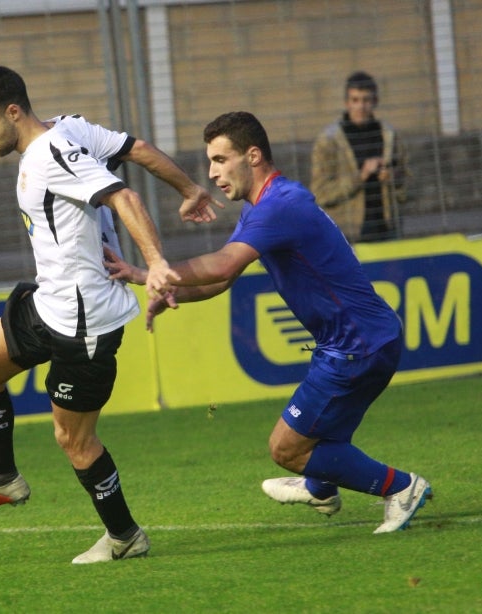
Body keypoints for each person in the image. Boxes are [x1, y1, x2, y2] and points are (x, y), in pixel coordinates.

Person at [105, 111, 432, 534]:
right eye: (211, 162)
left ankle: (401, 487)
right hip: (366, 339)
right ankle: (320, 487)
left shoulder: (280, 207)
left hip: (355, 347)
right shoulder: (267, 204)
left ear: (253, 155)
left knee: (286, 448)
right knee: (319, 439)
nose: (212, 173)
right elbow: (222, 279)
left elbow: (222, 263)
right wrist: (157, 285)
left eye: (221, 159)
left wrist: (155, 269)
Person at [0, 65, 222, 564]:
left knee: (73, 440)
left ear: (13, 112)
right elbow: (136, 150)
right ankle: (4, 479)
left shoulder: (54, 154)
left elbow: (123, 194)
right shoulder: (69, 126)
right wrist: (189, 190)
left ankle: (125, 537)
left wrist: (157, 263)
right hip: (46, 302)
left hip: (84, 323)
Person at [310, 71, 408, 243]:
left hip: (386, 230)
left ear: (375, 101)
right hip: (347, 236)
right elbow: (320, 193)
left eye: (366, 100)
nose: (361, 107)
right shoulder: (329, 141)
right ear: (346, 103)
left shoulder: (389, 135)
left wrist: (393, 177)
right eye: (355, 100)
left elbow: (408, 182)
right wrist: (360, 177)